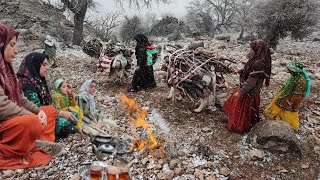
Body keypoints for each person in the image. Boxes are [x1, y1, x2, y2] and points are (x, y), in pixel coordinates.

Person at [0, 23, 57, 169]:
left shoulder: (7, 70)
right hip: (5, 123)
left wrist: (39, 111)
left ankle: (37, 142)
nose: (16, 51)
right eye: (12, 44)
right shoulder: (25, 79)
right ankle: (23, 149)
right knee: (31, 122)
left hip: (16, 121)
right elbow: (2, 105)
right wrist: (32, 116)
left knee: (49, 111)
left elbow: (22, 98)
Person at [16, 52, 79, 139]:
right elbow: (36, 109)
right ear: (35, 65)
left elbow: (51, 104)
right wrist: (60, 113)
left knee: (74, 115)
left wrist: (61, 112)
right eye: (44, 64)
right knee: (64, 124)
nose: (47, 68)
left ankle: (68, 129)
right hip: (37, 118)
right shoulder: (26, 83)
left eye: (47, 65)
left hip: (49, 114)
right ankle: (65, 130)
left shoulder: (39, 81)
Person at [223, 39, 272, 134]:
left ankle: (241, 127)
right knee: (246, 112)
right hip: (248, 91)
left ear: (256, 50)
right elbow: (248, 69)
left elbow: (251, 82)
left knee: (244, 113)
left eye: (251, 49)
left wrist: (241, 92)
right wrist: (241, 71)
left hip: (249, 93)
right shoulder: (255, 60)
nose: (250, 51)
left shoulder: (259, 64)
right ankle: (245, 123)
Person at [264, 60, 311, 129]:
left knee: (287, 112)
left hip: (290, 99)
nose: (288, 71)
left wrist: (291, 104)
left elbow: (298, 95)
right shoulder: (295, 76)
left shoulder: (301, 81)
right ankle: (278, 122)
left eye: (290, 70)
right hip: (285, 96)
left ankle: (288, 127)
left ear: (295, 70)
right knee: (280, 109)